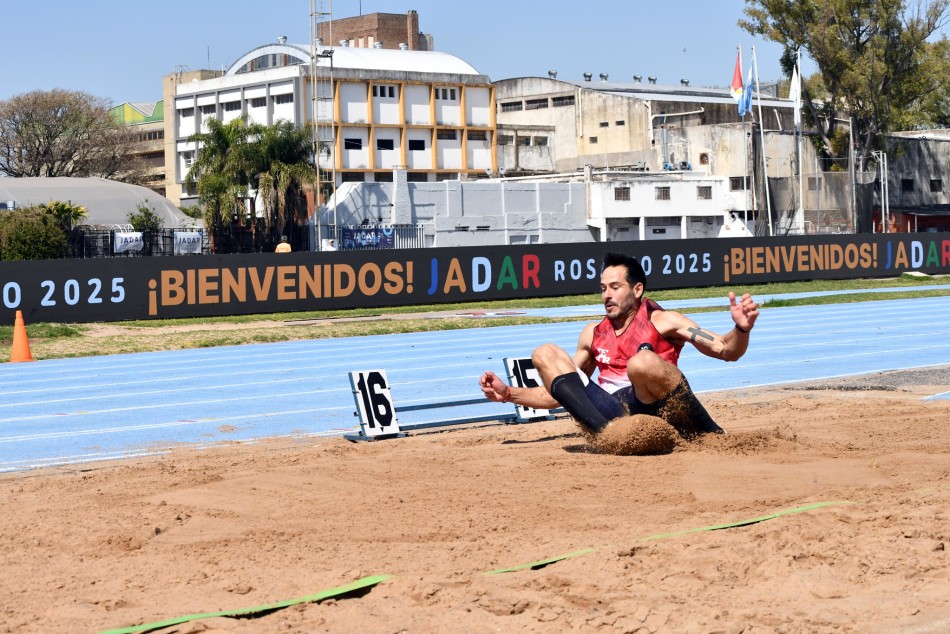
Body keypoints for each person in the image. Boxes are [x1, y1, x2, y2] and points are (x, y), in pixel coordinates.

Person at [479, 252, 759, 438]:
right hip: (611, 413)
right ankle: (611, 436)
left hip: (654, 409)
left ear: (637, 289)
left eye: (615, 287)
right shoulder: (592, 334)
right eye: (603, 288)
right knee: (545, 353)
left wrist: (741, 328)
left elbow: (726, 350)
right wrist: (509, 394)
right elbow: (561, 394)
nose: (607, 295)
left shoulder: (665, 321)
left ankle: (707, 431)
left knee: (641, 362)